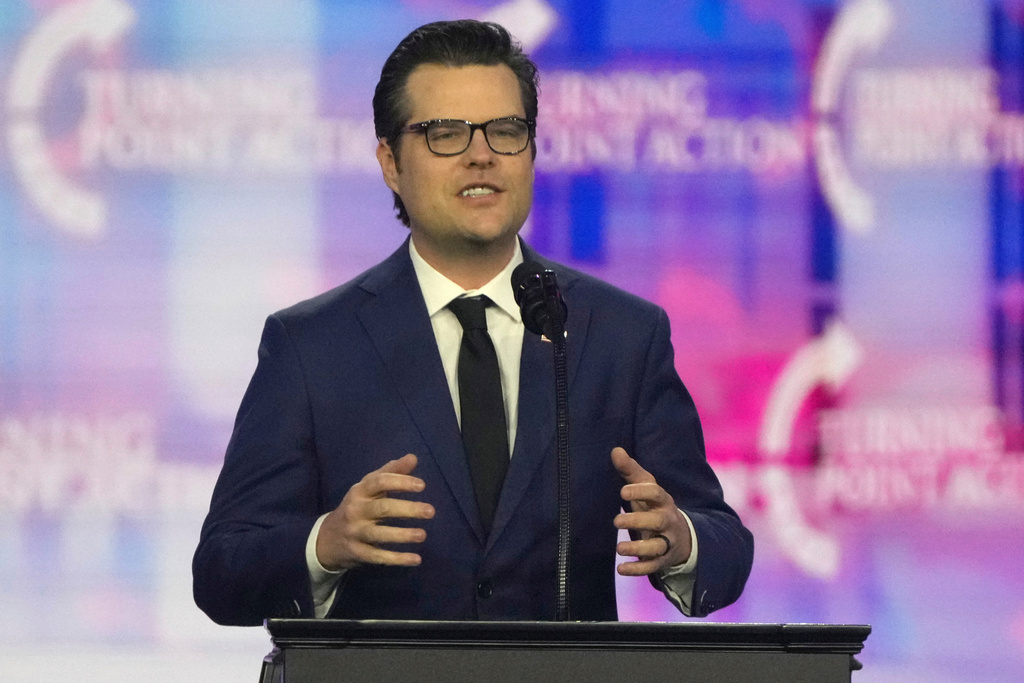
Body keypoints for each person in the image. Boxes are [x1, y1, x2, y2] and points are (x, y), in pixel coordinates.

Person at [193, 19, 752, 626]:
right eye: (445, 134)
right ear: (390, 162)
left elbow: (725, 545)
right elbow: (223, 571)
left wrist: (682, 542)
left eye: (506, 131)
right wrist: (323, 544)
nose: (481, 153)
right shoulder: (312, 346)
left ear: (532, 151)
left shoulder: (620, 335)